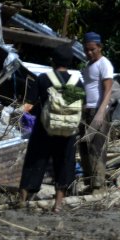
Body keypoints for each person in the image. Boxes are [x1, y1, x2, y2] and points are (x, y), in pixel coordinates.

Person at [17, 43, 83, 212]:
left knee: (34, 161)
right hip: (67, 131)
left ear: (52, 61)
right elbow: (76, 106)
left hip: (44, 130)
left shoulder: (43, 79)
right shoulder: (77, 82)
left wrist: (20, 113)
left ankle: (23, 199)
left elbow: (29, 105)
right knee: (64, 163)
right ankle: (58, 204)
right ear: (70, 62)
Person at [79, 31, 115, 193]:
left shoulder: (104, 64)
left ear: (100, 47)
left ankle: (99, 186)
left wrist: (101, 113)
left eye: (92, 49)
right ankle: (89, 182)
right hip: (87, 110)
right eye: (86, 50)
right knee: (84, 148)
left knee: (97, 148)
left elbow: (108, 90)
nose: (89, 53)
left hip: (98, 111)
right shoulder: (88, 65)